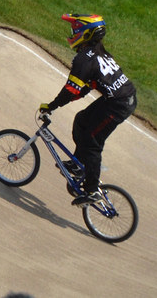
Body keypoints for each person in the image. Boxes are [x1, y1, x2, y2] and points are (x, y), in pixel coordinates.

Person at [39, 15, 136, 205]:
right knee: (82, 120)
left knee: (92, 142)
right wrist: (64, 101)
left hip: (118, 104)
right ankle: (79, 165)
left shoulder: (84, 59)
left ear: (86, 33)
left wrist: (52, 106)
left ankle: (92, 191)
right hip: (119, 98)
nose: (72, 34)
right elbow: (84, 88)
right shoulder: (98, 51)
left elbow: (70, 90)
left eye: (75, 31)